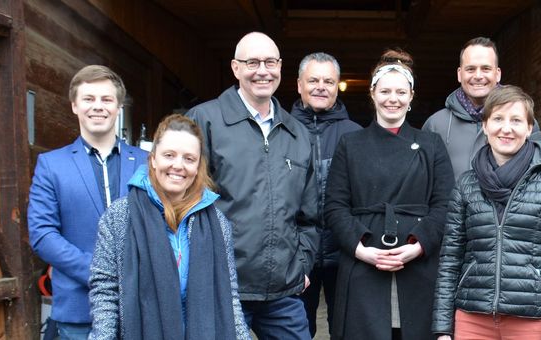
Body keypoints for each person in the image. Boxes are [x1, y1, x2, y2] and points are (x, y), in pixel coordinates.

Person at [186, 32, 318, 339]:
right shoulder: (205, 121)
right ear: (235, 68)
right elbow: (184, 202)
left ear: (280, 67)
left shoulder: (296, 133)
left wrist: (301, 264)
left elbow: (310, 216)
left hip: (283, 290)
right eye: (252, 62)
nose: (263, 70)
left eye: (270, 62)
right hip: (222, 287)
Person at [432, 85, 541, 340]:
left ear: (529, 128)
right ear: (485, 125)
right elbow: (450, 259)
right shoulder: (467, 184)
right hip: (472, 318)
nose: (506, 128)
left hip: (531, 319)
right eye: (498, 119)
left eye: (516, 120)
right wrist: (443, 328)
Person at [324, 49, 454, 340]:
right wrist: (362, 250)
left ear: (411, 96)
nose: (392, 99)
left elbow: (445, 204)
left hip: (418, 265)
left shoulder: (431, 144)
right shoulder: (350, 144)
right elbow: (335, 206)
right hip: (363, 264)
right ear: (372, 94)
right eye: (384, 91)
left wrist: (418, 245)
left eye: (400, 91)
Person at [87, 114, 249, 340]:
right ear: (153, 159)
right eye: (169, 155)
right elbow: (105, 291)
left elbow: (228, 294)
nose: (178, 166)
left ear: (198, 166)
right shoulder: (119, 216)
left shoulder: (217, 222)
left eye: (189, 158)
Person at [27, 65, 148, 340]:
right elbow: (42, 234)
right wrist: (97, 272)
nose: (98, 107)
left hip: (139, 307)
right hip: (78, 310)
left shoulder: (145, 163)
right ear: (74, 106)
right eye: (89, 99)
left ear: (118, 107)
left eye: (107, 100)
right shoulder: (51, 165)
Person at [290, 52, 362, 338]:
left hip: (345, 253)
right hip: (296, 254)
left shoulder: (355, 134)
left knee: (346, 329)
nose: (321, 86)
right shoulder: (284, 130)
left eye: (328, 81)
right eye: (313, 80)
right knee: (296, 329)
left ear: (337, 86)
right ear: (299, 85)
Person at [423, 37, 541, 179]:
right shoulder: (436, 124)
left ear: (497, 74)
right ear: (459, 74)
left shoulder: (521, 122)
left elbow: (540, 174)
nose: (478, 76)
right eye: (471, 69)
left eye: (485, 69)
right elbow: (423, 179)